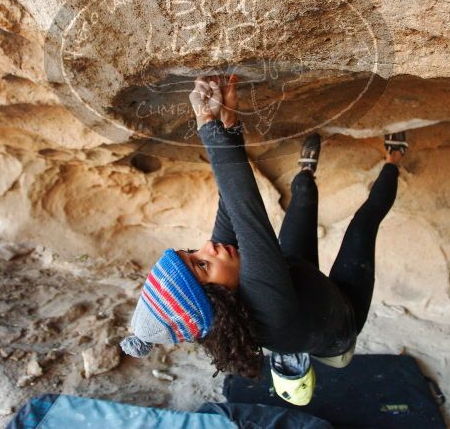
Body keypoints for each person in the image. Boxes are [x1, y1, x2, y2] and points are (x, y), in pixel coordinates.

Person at [120, 74, 407, 400]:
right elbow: (246, 208)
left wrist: (229, 123)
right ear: (217, 301)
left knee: (301, 196)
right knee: (363, 223)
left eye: (191, 252)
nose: (207, 247)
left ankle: (306, 173)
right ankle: (394, 160)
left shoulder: (223, 266)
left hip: (300, 279)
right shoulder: (267, 308)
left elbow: (230, 200)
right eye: (201, 265)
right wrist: (205, 123)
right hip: (342, 315)